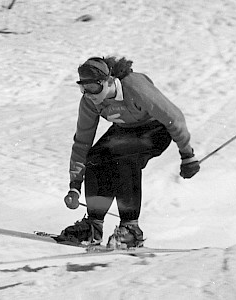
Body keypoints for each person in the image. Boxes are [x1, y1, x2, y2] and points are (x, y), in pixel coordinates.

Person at [58, 56, 200, 249]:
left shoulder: (135, 87)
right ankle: (94, 226)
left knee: (125, 159)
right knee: (96, 158)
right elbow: (82, 142)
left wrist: (187, 155)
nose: (89, 94)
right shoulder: (89, 102)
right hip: (124, 130)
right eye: (84, 88)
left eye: (94, 88)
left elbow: (174, 118)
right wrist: (75, 184)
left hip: (155, 129)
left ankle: (131, 229)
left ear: (109, 81)